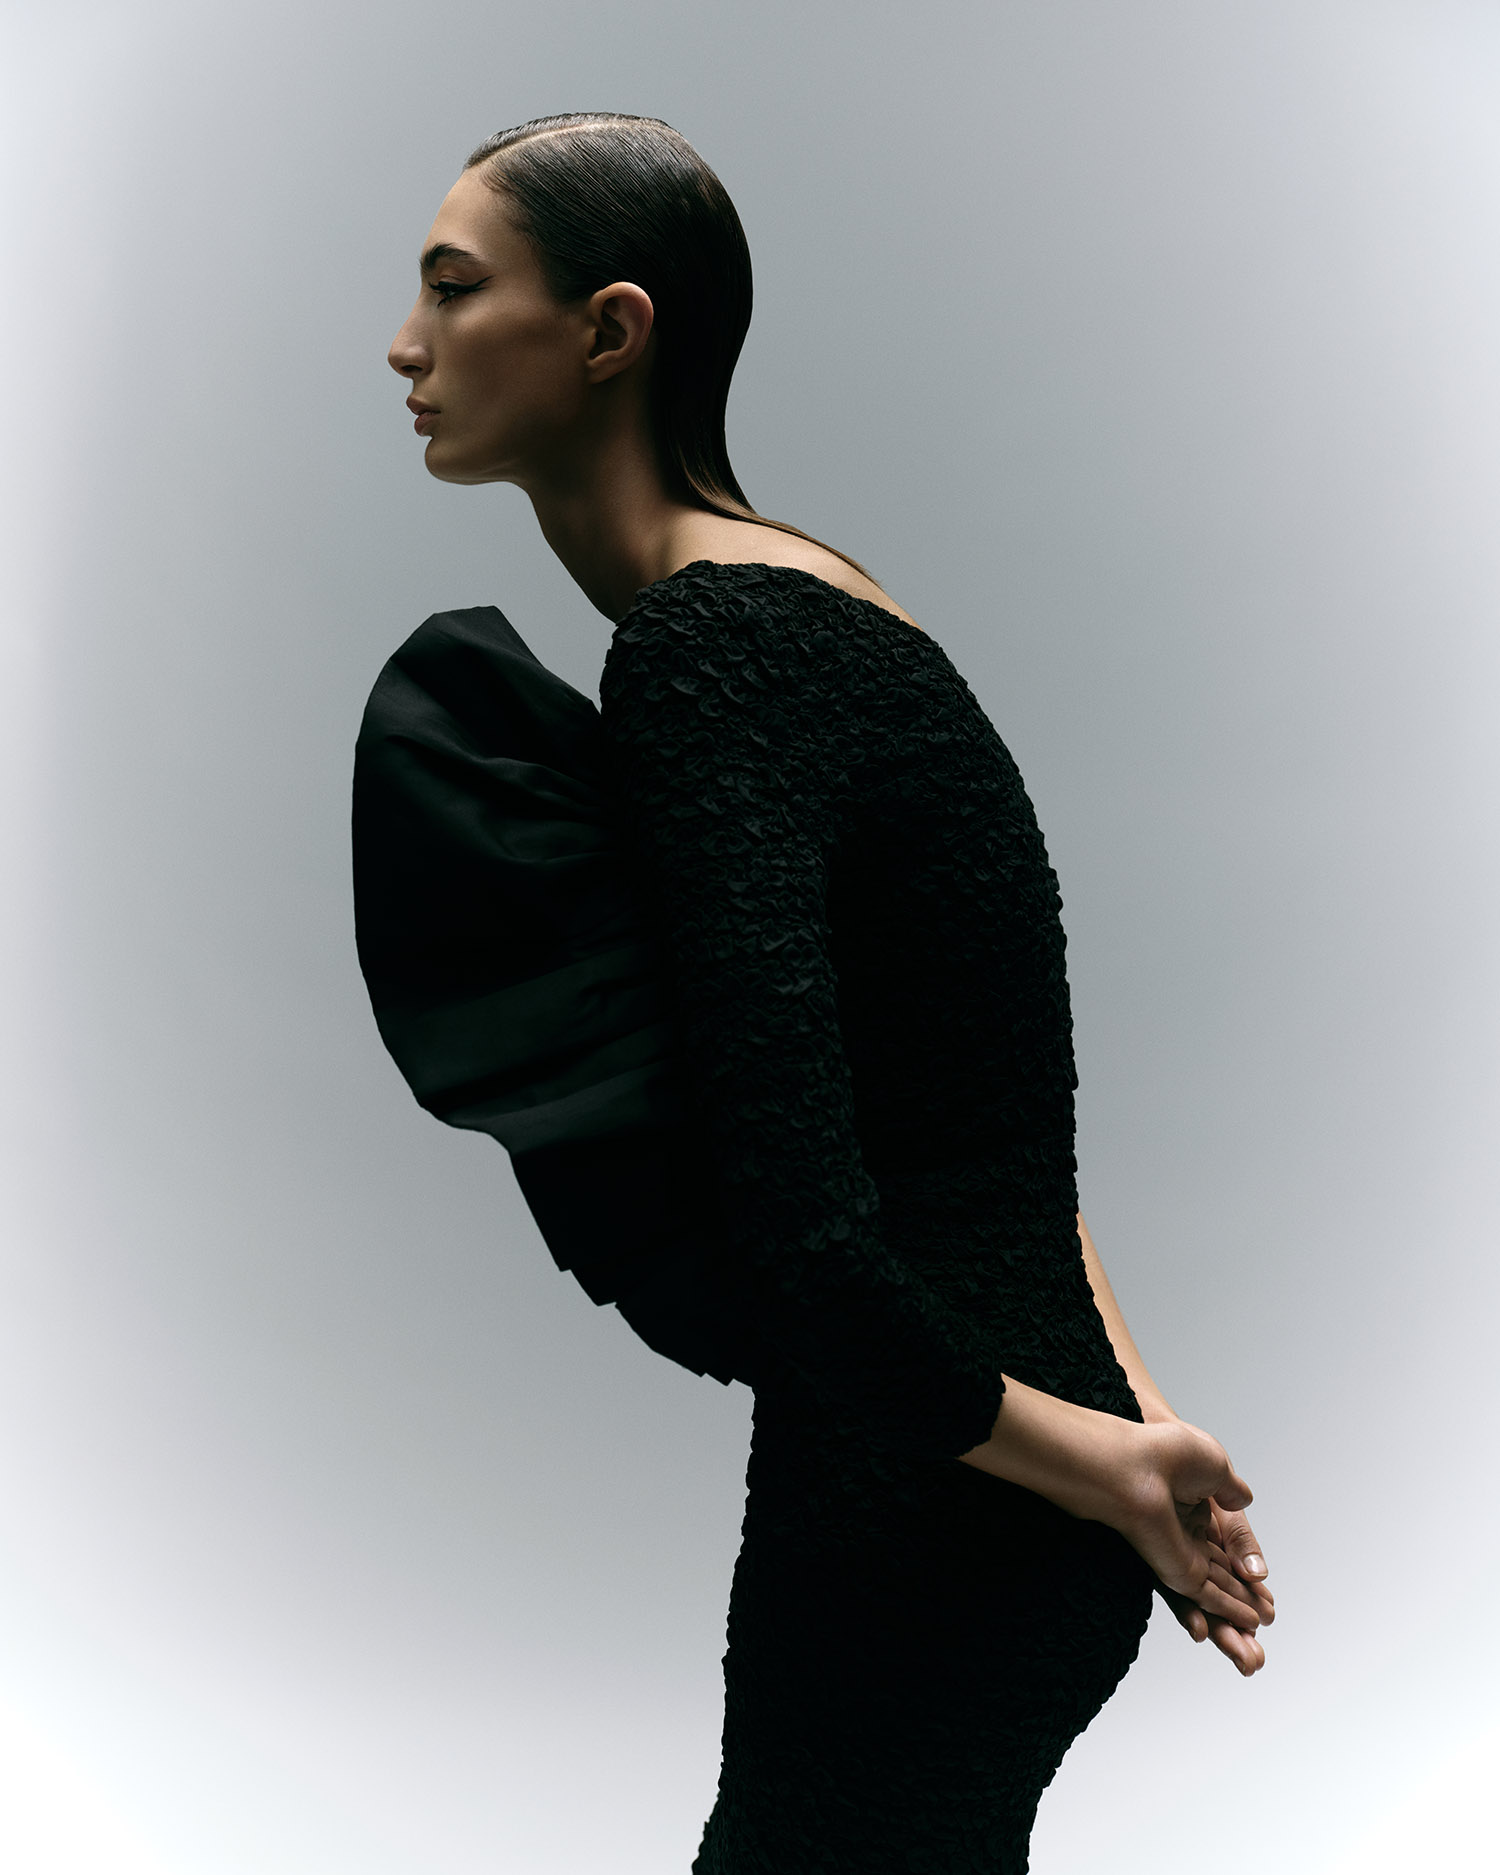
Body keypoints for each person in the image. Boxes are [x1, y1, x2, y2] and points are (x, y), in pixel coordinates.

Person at [382, 111, 1273, 1874]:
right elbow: (1001, 1128)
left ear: (609, 331)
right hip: (1004, 1462)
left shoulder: (712, 652)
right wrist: (1131, 1430)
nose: (406, 345)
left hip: (929, 1501)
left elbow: (807, 1235)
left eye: (455, 288)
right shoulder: (818, 602)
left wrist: (1113, 1468)